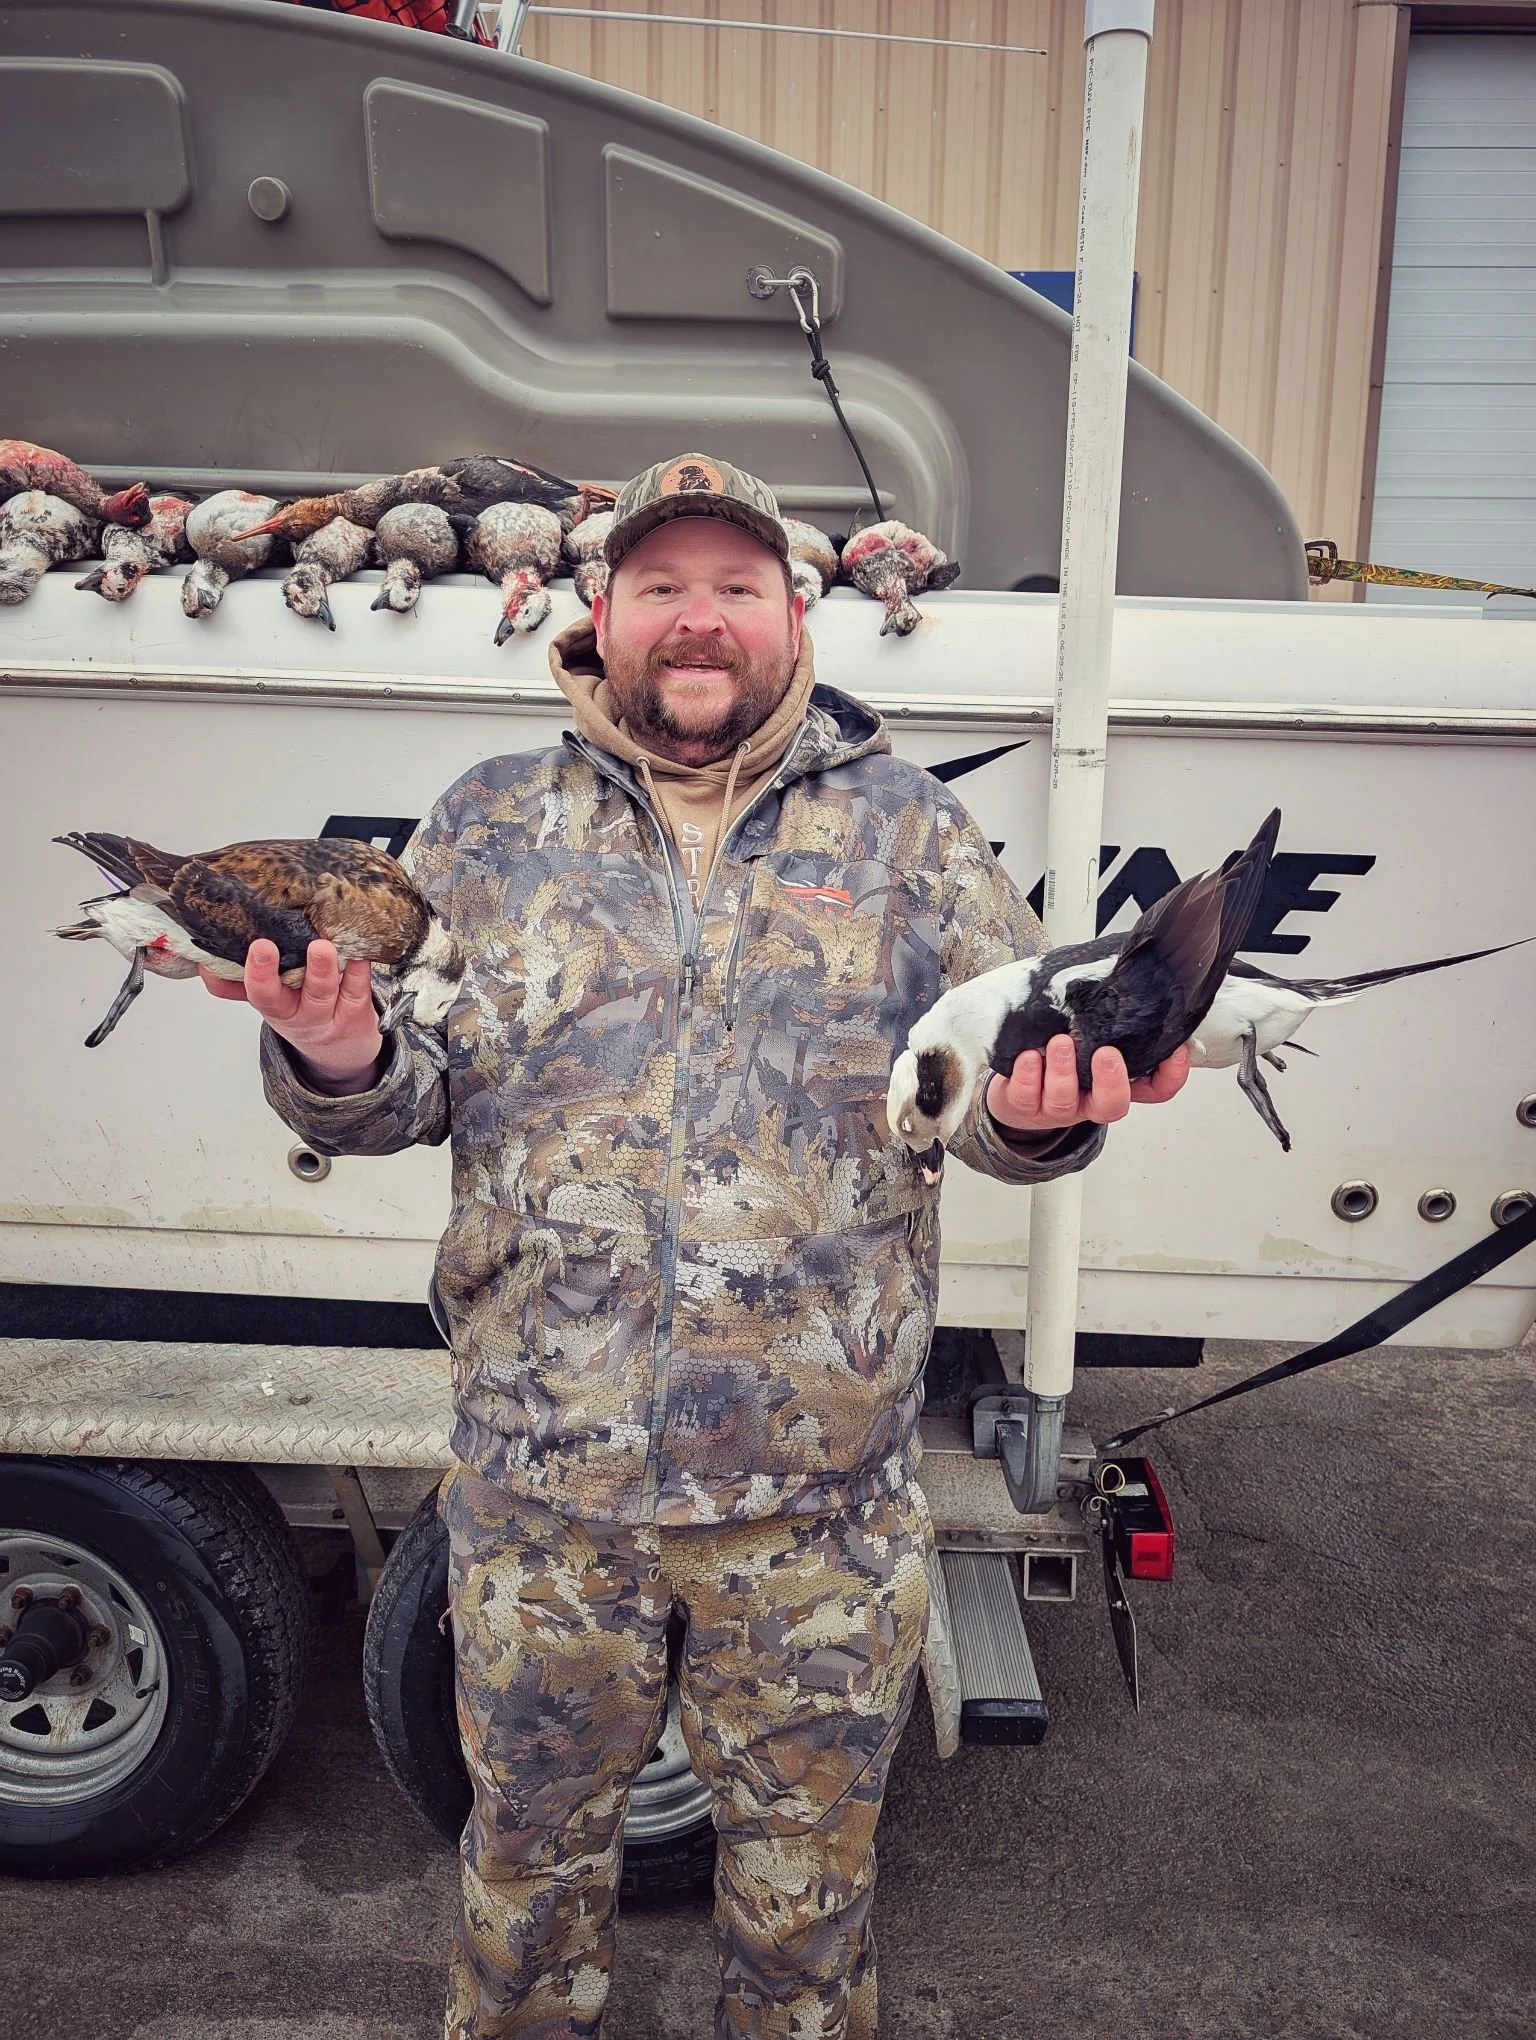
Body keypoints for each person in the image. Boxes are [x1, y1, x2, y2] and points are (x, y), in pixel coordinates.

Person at [204, 453, 1189, 2039]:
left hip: (816, 1517)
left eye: (738, 586)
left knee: (807, 1918)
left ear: (795, 616)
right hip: (542, 1499)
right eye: (663, 586)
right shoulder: (485, 828)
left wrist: (1055, 1112)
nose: (700, 620)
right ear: (605, 612)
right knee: (519, 1894)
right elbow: (402, 1095)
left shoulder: (914, 838)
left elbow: (990, 1108)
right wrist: (329, 1058)